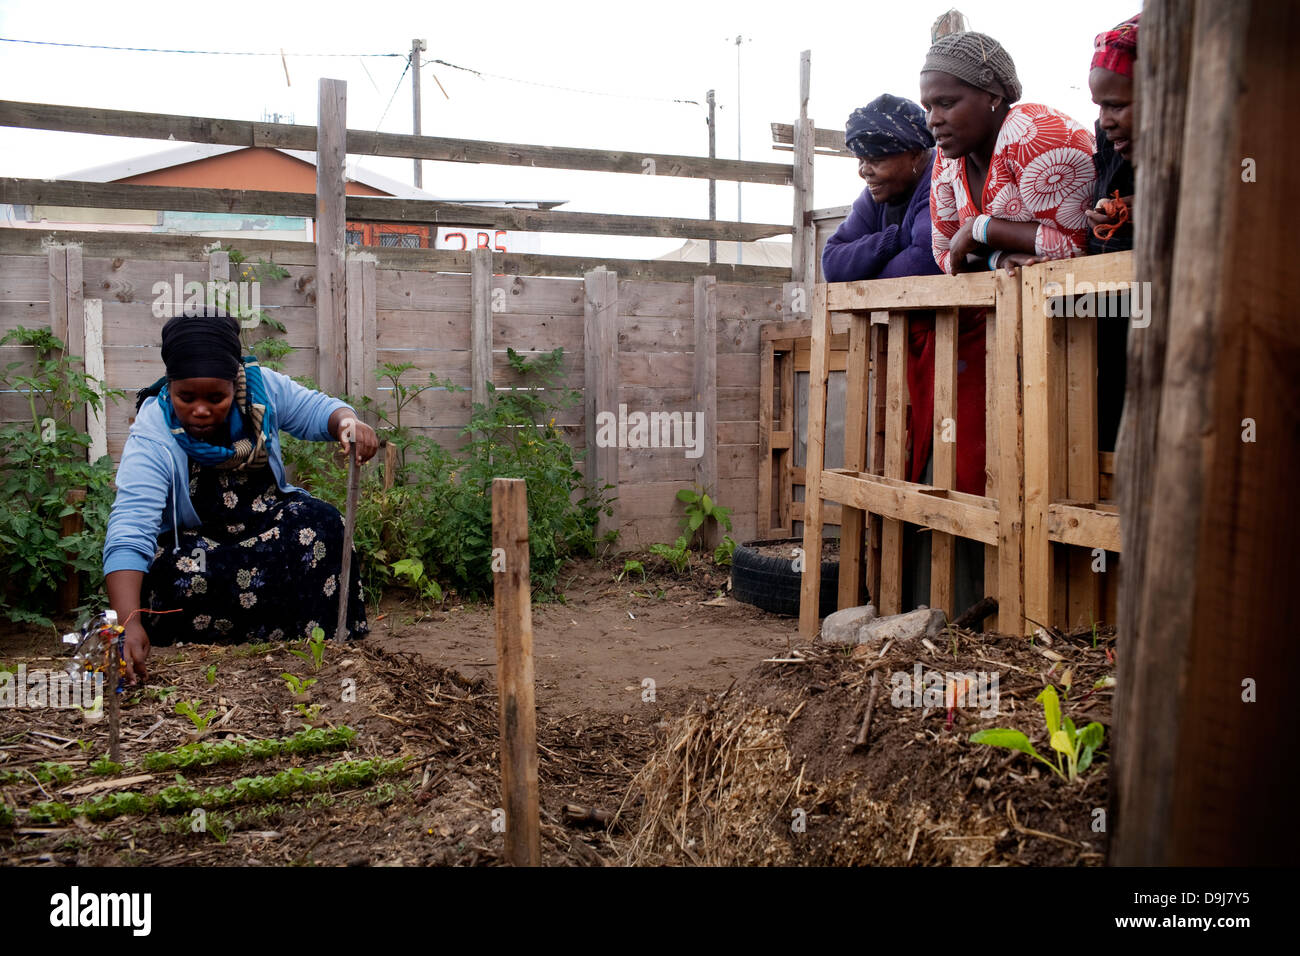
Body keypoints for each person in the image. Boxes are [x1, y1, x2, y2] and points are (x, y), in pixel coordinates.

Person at [917, 31, 1096, 612]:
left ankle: (1039, 607)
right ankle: (979, 597)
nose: (935, 120)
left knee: (1049, 470)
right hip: (1001, 334)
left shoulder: (1039, 136)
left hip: (1074, 335)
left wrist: (982, 232)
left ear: (993, 94)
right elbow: (946, 260)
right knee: (977, 460)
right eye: (928, 107)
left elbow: (1072, 248)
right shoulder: (947, 165)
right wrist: (997, 251)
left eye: (948, 103)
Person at [103, 310, 380, 683]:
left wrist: (348, 423)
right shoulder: (154, 430)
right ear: (170, 387)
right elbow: (130, 528)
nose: (200, 410)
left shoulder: (262, 390)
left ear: (234, 383)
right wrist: (128, 623)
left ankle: (318, 635)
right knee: (167, 569)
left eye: (216, 397)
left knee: (325, 525)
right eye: (186, 397)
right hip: (199, 541)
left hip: (265, 522)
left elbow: (317, 410)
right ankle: (265, 624)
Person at [1087, 13, 1140, 453]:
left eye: (1117, 105)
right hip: (1115, 318)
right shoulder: (1113, 143)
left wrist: (1130, 209)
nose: (1105, 121)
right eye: (1100, 107)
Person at [821, 94, 941, 284]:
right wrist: (893, 240)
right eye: (861, 160)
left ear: (915, 155)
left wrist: (863, 277)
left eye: (876, 160)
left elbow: (925, 261)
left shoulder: (941, 182)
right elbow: (832, 264)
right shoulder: (875, 195)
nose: (864, 171)